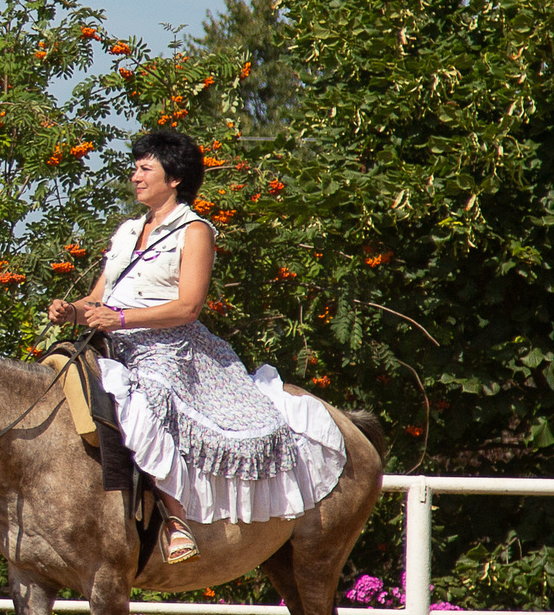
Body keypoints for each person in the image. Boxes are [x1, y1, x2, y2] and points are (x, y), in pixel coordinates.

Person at [47, 128, 344, 562]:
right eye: (135, 168)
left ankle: (175, 519)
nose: (135, 176)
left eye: (145, 168)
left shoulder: (195, 231)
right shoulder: (127, 230)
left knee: (147, 400)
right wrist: (71, 311)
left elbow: (188, 306)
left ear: (174, 179)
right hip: (111, 342)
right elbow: (99, 297)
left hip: (171, 349)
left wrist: (121, 318)